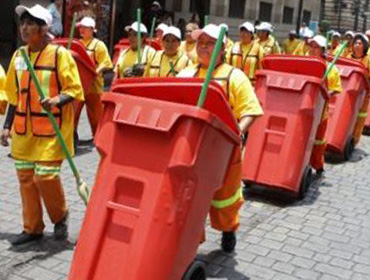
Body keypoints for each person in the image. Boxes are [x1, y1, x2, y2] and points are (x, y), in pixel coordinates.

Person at [0, 4, 84, 245]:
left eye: (30, 24)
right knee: (26, 179)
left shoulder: (59, 55)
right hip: (24, 132)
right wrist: (7, 126)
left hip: (51, 132)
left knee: (44, 177)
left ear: (44, 27)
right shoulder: (19, 56)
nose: (24, 28)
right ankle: (32, 227)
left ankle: (61, 217)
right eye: (22, 23)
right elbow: (14, 95)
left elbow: (75, 89)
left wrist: (57, 99)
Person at [178, 24, 263, 252]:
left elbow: (251, 110)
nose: (204, 47)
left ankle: (228, 230)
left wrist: (237, 132)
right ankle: (192, 240)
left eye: (210, 43)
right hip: (193, 147)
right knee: (191, 196)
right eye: (201, 43)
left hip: (224, 149)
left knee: (225, 197)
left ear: (222, 48)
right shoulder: (186, 74)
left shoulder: (235, 76)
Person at [309, 35, 342, 176]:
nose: (312, 49)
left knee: (318, 141)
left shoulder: (330, 68)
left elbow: (336, 88)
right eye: (311, 46)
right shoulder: (305, 62)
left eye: (316, 47)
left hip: (321, 110)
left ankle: (318, 164)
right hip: (305, 108)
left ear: (322, 50)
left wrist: (326, 93)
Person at [74, 16, 113, 138]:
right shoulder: (77, 44)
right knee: (73, 113)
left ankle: (98, 137)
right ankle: (72, 136)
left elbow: (106, 62)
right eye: (81, 27)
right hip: (78, 85)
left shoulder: (98, 45)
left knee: (95, 115)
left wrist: (95, 71)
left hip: (94, 86)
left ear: (92, 30)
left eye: (85, 27)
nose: (82, 30)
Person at [348, 33, 370, 145]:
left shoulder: (368, 59)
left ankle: (354, 139)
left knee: (360, 115)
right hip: (349, 92)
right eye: (355, 42)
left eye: (360, 43)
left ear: (365, 46)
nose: (356, 45)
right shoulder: (348, 58)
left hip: (363, 92)